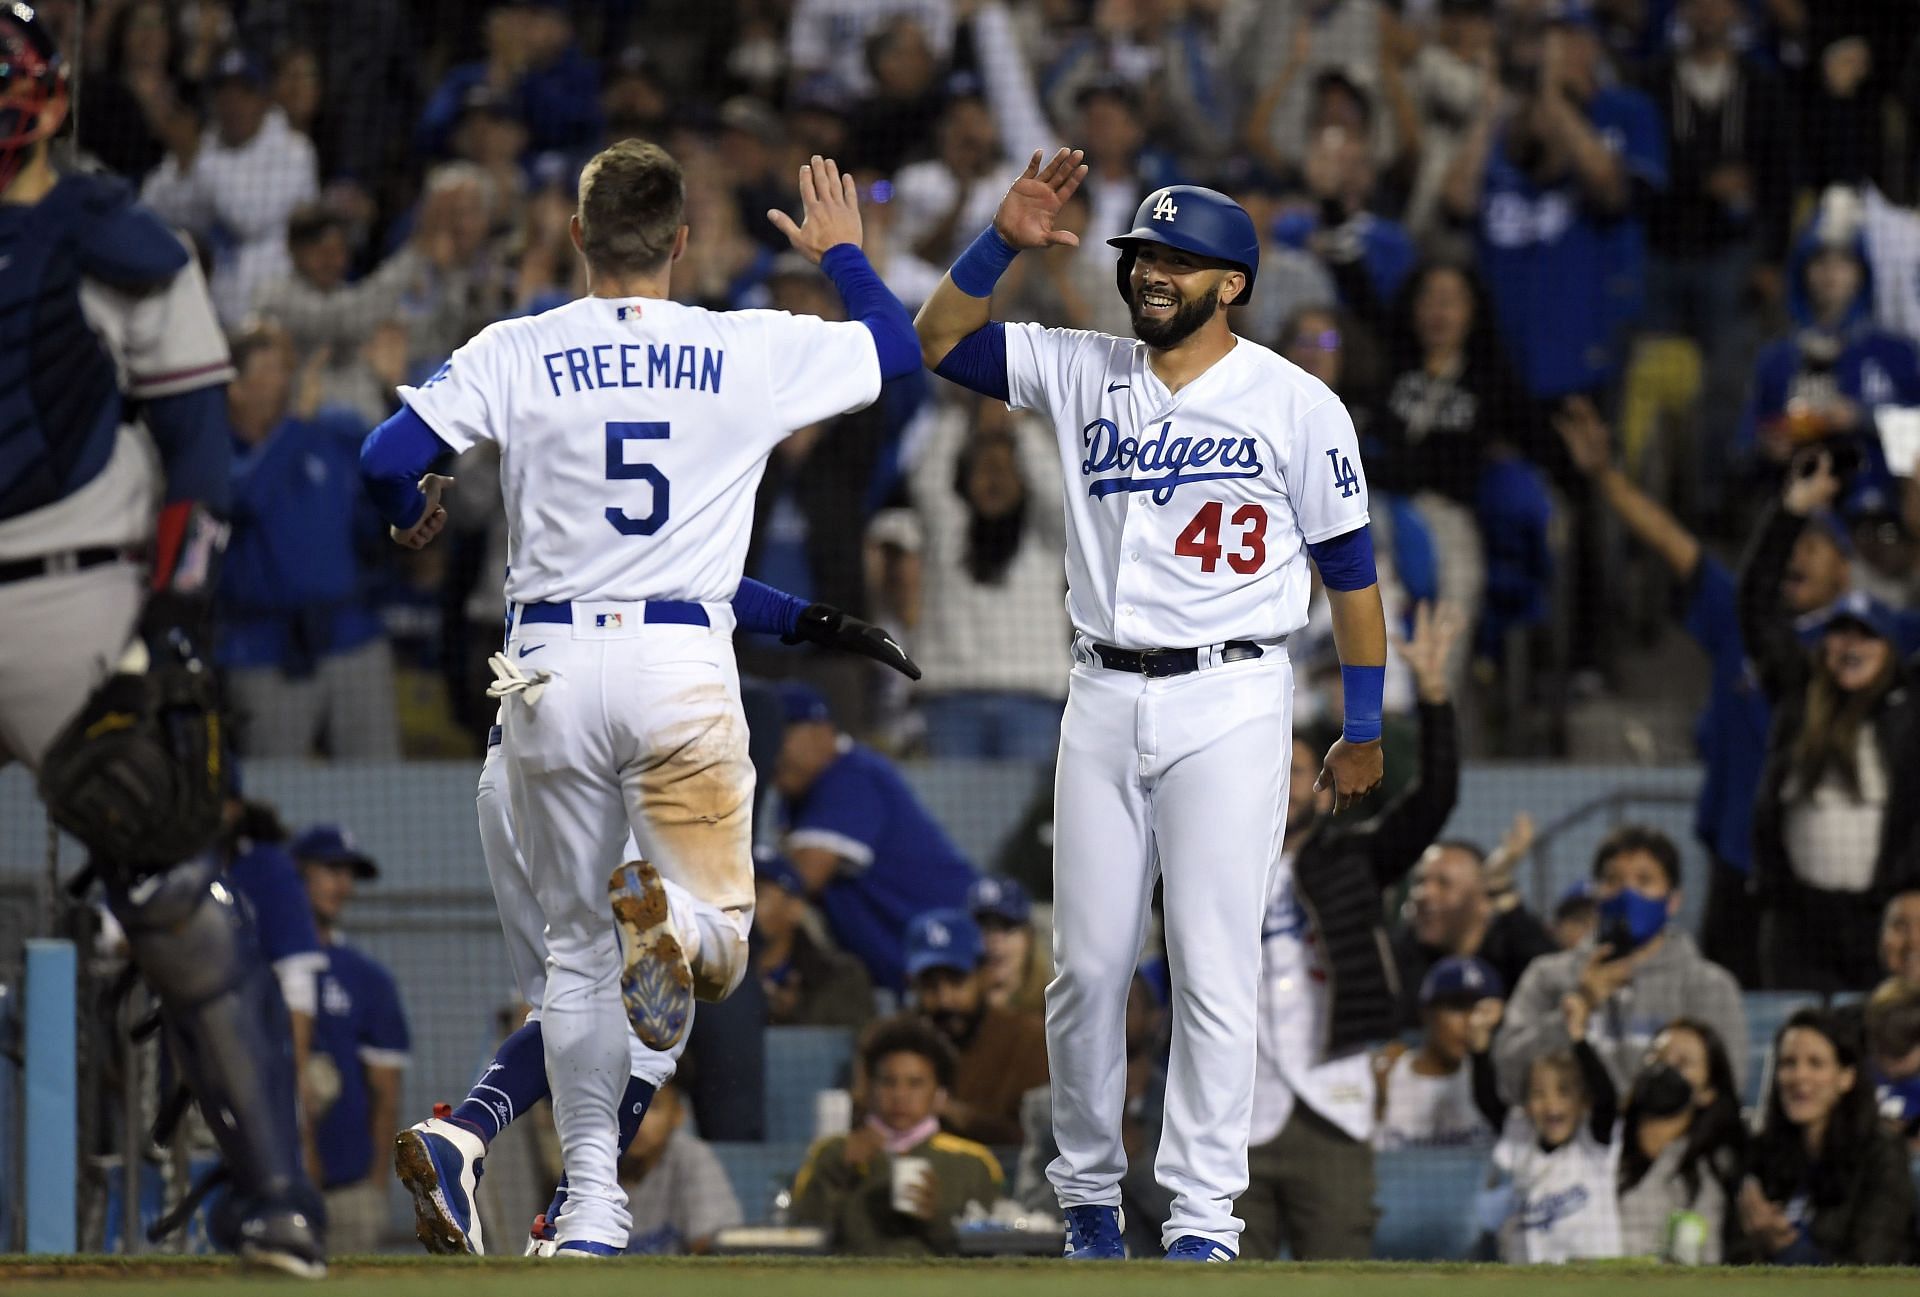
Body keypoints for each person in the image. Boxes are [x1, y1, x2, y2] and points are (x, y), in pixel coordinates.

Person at [359, 142, 922, 1257]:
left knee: (575, 956)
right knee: (715, 939)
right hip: (680, 666)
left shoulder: (518, 346)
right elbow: (897, 349)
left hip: (546, 672)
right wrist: (847, 254)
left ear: (576, 237)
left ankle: (594, 1211)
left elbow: (387, 454)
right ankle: (677, 928)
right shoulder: (743, 346)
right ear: (683, 243)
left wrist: (413, 506)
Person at [913, 156, 1389, 1261]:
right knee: (1083, 964)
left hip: (1232, 690)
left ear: (1234, 283)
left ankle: (1205, 1219)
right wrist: (1000, 240)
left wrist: (1363, 726)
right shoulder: (1087, 368)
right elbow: (937, 338)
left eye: (1177, 260)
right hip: (1100, 688)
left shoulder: (1297, 403)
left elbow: (1355, 586)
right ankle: (1086, 1196)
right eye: (1141, 256)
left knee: (1215, 964)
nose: (1152, 274)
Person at [0, 8, 321, 1273]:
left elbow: (200, 453)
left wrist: (177, 616)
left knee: (174, 896)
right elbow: (195, 449)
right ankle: (279, 1200)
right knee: (178, 902)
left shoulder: (117, 241)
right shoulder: (125, 238)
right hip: (79, 599)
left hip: (80, 602)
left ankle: (280, 1199)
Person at [393, 580, 911, 1257]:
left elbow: (394, 470)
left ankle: (471, 1140)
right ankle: (577, 1218)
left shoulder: (543, 479)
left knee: (564, 1007)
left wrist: (415, 505)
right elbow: (706, 576)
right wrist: (807, 617)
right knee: (666, 1007)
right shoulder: (688, 513)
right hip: (619, 762)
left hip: (514, 758)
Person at [1554, 398, 1860, 988]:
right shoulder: (1740, 614)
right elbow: (1673, 543)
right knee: (1728, 994)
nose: (1798, 553)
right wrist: (1605, 476)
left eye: (1815, 546)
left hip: (1818, 861)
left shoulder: (1863, 646)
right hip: (1734, 855)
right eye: (1794, 543)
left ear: (1845, 570)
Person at [1240, 602, 1462, 1261]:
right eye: (1271, 763)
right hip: (1231, 1112)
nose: (1285, 778)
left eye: (1299, 766)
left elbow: (1435, 798)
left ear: (1324, 785)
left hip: (1331, 1109)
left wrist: (1435, 695)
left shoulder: (1355, 860)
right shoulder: (1203, 864)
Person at [1739, 450, 1920, 993]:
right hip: (1797, 923)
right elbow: (1755, 606)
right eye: (1840, 633)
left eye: (1867, 636)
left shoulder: (1911, 709)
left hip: (1880, 922)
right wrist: (1789, 512)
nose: (1850, 646)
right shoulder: (1799, 694)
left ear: (1890, 648)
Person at [219, 325, 399, 759]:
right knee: (277, 800)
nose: (287, 380)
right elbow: (245, 499)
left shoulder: (330, 436)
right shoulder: (216, 450)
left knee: (382, 794)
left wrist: (396, 396)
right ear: (236, 389)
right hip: (265, 653)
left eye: (287, 369)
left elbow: (396, 484)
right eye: (271, 371)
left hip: (352, 639)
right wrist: (296, 423)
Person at [1494, 825, 1747, 1102]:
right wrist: (1579, 1007)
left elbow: (1727, 1090)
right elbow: (1507, 1079)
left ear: (1673, 901)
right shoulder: (1547, 976)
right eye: (1613, 880)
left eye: (1644, 880)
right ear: (1598, 894)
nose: (1627, 893)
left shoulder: (1710, 986)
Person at [773, 680, 978, 991]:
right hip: (911, 968)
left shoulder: (852, 775)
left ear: (821, 732)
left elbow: (796, 881)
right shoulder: (797, 795)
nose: (767, 749)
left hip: (964, 955)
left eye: (780, 736)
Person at [791, 1014, 1004, 1257]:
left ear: (939, 1095)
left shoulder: (972, 1162)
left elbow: (990, 1253)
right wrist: (838, 1173)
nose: (900, 1094)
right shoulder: (834, 1153)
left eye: (915, 1083)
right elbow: (801, 1237)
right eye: (887, 1082)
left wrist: (937, 1218)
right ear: (869, 1089)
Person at [139, 46, 320, 327]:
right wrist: (186, 162)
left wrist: (196, 161)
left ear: (264, 99)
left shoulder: (293, 150)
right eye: (224, 93)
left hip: (278, 314)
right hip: (214, 312)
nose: (233, 103)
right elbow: (154, 208)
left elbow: (249, 219)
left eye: (244, 93)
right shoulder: (206, 145)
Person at [293, 825, 409, 1255]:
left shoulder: (368, 979)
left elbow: (386, 1094)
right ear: (296, 874)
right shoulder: (258, 969)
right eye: (330, 869)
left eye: (349, 873)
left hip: (348, 1191)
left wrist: (375, 1189)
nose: (342, 884)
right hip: (271, 1187)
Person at [1740, 1009, 1917, 1265]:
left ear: (1846, 1077)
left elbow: (1869, 1270)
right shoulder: (1763, 1153)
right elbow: (1732, 1257)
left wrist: (1787, 1249)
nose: (1799, 1076)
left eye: (1816, 1063)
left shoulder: (1883, 1156)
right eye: (1789, 1063)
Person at [1490, 991, 1623, 1264]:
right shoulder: (1520, 1141)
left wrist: (1578, 1037)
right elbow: (1488, 1103)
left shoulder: (1594, 1144)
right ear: (1526, 1106)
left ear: (1583, 1101)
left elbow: (1607, 1097)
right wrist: (1480, 1049)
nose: (1551, 1105)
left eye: (1564, 1092)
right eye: (1538, 1094)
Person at [904, 908, 1049, 1147]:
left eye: (956, 980)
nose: (944, 999)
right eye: (930, 984)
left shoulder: (1028, 1037)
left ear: (984, 974)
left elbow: (1039, 1139)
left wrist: (957, 1116)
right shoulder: (896, 1039)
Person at [1392, 836, 1556, 1031]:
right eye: (1420, 881)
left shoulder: (1514, 953)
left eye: (1443, 883)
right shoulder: (1400, 962)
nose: (1424, 893)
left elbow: (1554, 981)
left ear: (1482, 901)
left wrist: (1507, 898)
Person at [1615, 1019, 1745, 1264]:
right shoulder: (1604, 1148)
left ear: (1708, 1092)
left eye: (1683, 1063)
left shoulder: (1714, 1171)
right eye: (1657, 1055)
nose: (1664, 1068)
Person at [1372, 956, 1505, 1152]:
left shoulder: (1496, 1081)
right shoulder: (1385, 1073)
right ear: (1426, 1012)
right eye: (1458, 1007)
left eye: (1480, 1010)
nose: (1471, 1022)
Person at [616, 1082, 743, 1255]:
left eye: (652, 1106)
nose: (637, 1119)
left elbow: (714, 1245)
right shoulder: (590, 1158)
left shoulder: (692, 1157)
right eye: (624, 1104)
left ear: (677, 1115)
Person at [755, 848, 875, 1030]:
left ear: (794, 908)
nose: (742, 903)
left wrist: (791, 1015)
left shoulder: (840, 977)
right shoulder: (711, 975)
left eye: (757, 892)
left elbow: (856, 1048)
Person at [967, 875, 1047, 1014]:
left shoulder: (1057, 1009)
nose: (993, 938)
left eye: (1006, 925)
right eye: (982, 927)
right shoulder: (951, 1022)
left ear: (1028, 938)